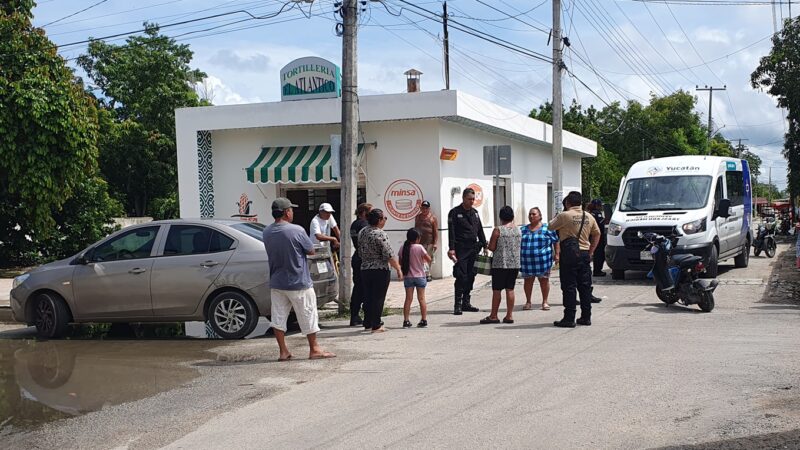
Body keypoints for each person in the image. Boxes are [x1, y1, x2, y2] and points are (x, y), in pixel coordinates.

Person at [262, 197, 335, 360]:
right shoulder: (296, 230)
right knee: (308, 314)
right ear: (287, 212)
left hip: (277, 282)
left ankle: (283, 351)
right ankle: (314, 349)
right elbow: (310, 250)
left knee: (278, 318)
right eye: (291, 209)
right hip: (298, 281)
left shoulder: (266, 232)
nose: (293, 212)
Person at [549, 191, 601, 328]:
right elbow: (597, 234)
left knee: (569, 286)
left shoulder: (564, 215)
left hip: (569, 255)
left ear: (567, 203)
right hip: (584, 254)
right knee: (584, 286)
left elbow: (550, 226)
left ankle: (569, 317)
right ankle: (586, 317)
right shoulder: (589, 216)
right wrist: (591, 251)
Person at [358, 208, 402, 333]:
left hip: (365, 268)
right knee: (378, 297)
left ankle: (367, 322)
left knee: (368, 296)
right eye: (384, 218)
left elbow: (360, 251)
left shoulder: (362, 232)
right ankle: (376, 324)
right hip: (380, 269)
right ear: (379, 220)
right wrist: (398, 268)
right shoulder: (380, 234)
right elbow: (388, 254)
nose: (385, 220)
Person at [447, 188, 487, 315]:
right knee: (461, 276)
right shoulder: (454, 213)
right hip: (461, 249)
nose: (472, 201)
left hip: (473, 249)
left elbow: (480, 229)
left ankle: (466, 302)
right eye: (469, 199)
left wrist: (484, 244)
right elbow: (451, 232)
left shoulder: (475, 213)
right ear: (463, 198)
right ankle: (457, 304)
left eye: (473, 199)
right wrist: (452, 248)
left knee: (471, 275)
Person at [480, 206, 522, 325]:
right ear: (512, 216)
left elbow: (492, 247)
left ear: (500, 217)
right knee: (510, 289)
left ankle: (494, 315)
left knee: (497, 290)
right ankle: (509, 315)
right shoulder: (518, 230)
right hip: (514, 264)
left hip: (500, 264)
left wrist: (488, 245)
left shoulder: (498, 230)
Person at [519, 207, 559, 311]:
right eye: (530, 214)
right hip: (526, 262)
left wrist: (557, 254)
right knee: (528, 282)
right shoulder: (523, 230)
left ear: (540, 216)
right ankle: (528, 302)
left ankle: (545, 301)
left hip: (543, 261)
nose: (531, 216)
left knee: (544, 281)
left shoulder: (547, 228)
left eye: (534, 214)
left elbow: (556, 241)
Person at [398, 228, 430, 328]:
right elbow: (428, 258)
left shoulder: (403, 247)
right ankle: (424, 320)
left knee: (408, 299)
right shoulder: (419, 247)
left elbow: (400, 262)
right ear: (417, 238)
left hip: (408, 276)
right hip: (420, 276)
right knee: (421, 299)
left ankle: (406, 320)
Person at [348, 203, 372, 327]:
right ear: (364, 213)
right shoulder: (364, 225)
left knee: (358, 288)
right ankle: (368, 316)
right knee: (366, 288)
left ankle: (354, 315)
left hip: (357, 257)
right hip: (364, 258)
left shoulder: (354, 225)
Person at [415, 200, 439, 281]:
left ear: (429, 208)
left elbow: (435, 231)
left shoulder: (433, 218)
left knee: (428, 258)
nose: (424, 210)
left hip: (429, 242)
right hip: (419, 242)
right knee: (420, 258)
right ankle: (421, 273)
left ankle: (428, 274)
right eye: (423, 208)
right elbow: (415, 229)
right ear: (421, 208)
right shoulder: (417, 217)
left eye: (426, 208)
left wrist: (435, 243)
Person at [588, 199, 607, 277]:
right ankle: (597, 271)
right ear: (597, 205)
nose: (601, 207)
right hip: (598, 236)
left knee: (593, 254)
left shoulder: (589, 213)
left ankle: (594, 270)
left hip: (590, 236)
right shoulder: (597, 214)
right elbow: (601, 224)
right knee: (599, 254)